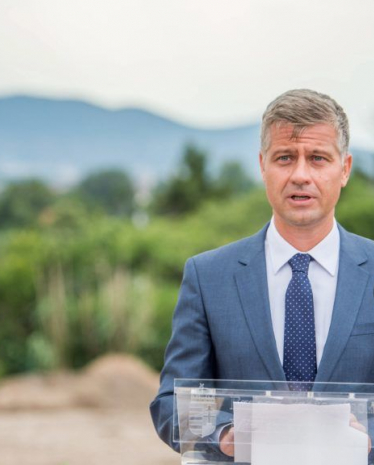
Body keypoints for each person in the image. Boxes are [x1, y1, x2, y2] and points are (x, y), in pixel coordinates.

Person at [150, 89, 374, 458]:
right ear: (262, 166)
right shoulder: (208, 277)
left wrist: (368, 438)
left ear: (345, 168)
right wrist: (225, 434)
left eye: (318, 158)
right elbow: (172, 401)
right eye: (285, 158)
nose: (300, 175)